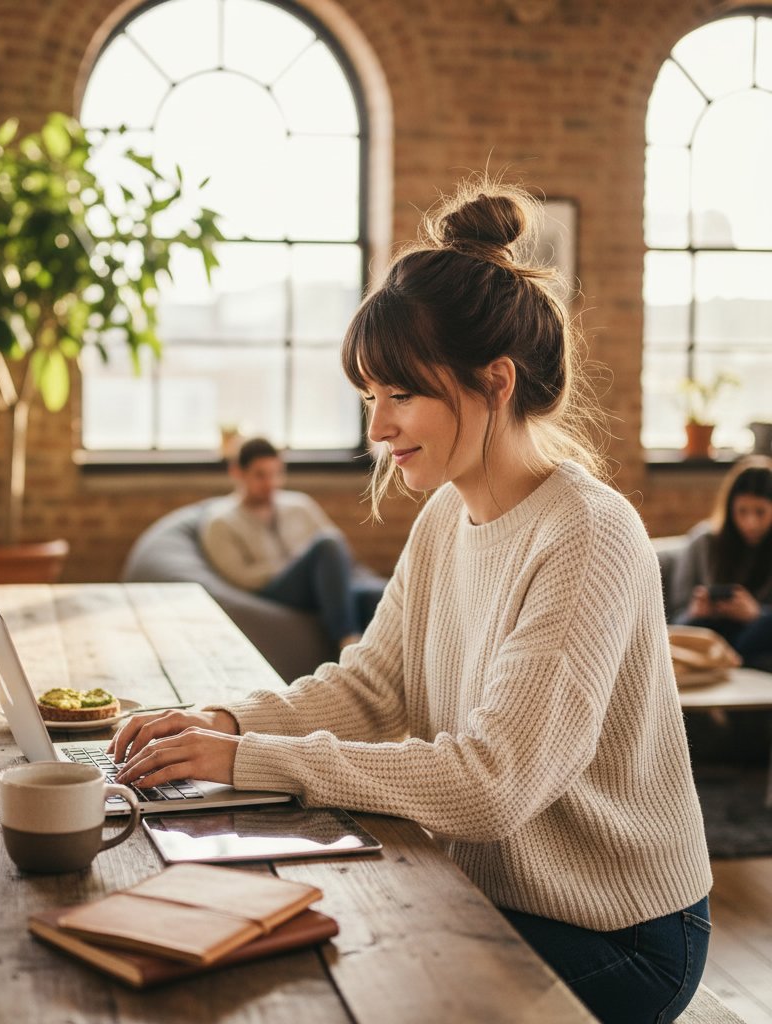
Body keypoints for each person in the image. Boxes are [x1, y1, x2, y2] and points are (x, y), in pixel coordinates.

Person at [111, 178, 712, 1023]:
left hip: (621, 931)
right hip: (490, 887)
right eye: (369, 399)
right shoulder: (446, 515)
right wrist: (226, 723)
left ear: (495, 382)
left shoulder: (587, 533)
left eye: (402, 395)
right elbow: (373, 689)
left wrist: (250, 763)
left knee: (341, 982)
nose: (378, 430)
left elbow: (494, 782)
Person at [200, 436, 384, 650]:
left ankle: (390, 665)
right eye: (260, 475)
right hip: (272, 590)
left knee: (375, 595)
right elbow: (240, 576)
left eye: (276, 474)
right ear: (237, 472)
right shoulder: (221, 521)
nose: (271, 484)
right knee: (327, 543)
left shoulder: (299, 505)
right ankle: (347, 642)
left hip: (317, 585)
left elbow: (341, 553)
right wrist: (296, 566)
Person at [670, 456, 772, 671]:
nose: (750, 522)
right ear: (729, 509)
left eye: (760, 512)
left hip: (756, 635)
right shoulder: (702, 542)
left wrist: (755, 613)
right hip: (707, 633)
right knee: (691, 631)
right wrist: (696, 611)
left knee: (760, 630)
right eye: (742, 511)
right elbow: (676, 618)